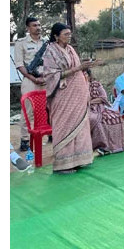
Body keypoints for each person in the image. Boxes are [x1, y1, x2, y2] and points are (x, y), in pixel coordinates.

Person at [43, 23, 101, 174]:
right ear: (56, 36)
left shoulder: (70, 49)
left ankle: (79, 159)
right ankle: (63, 164)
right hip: (63, 96)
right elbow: (51, 75)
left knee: (81, 126)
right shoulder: (51, 51)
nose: (69, 36)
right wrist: (79, 68)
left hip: (77, 95)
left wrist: (86, 65)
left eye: (70, 34)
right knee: (65, 127)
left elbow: (76, 68)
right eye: (65, 34)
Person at [14, 17, 47, 151]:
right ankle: (25, 139)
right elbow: (19, 64)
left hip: (45, 80)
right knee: (28, 110)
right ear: (28, 28)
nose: (38, 27)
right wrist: (34, 78)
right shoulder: (21, 43)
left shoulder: (46, 43)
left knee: (48, 107)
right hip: (30, 80)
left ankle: (50, 133)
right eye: (34, 25)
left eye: (39, 25)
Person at [86, 69, 124, 156]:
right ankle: (102, 146)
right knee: (97, 120)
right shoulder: (77, 86)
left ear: (89, 75)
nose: (84, 76)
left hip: (100, 107)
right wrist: (90, 102)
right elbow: (81, 101)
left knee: (114, 116)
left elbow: (103, 97)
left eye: (86, 74)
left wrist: (90, 101)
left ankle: (115, 147)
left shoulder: (96, 84)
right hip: (85, 109)